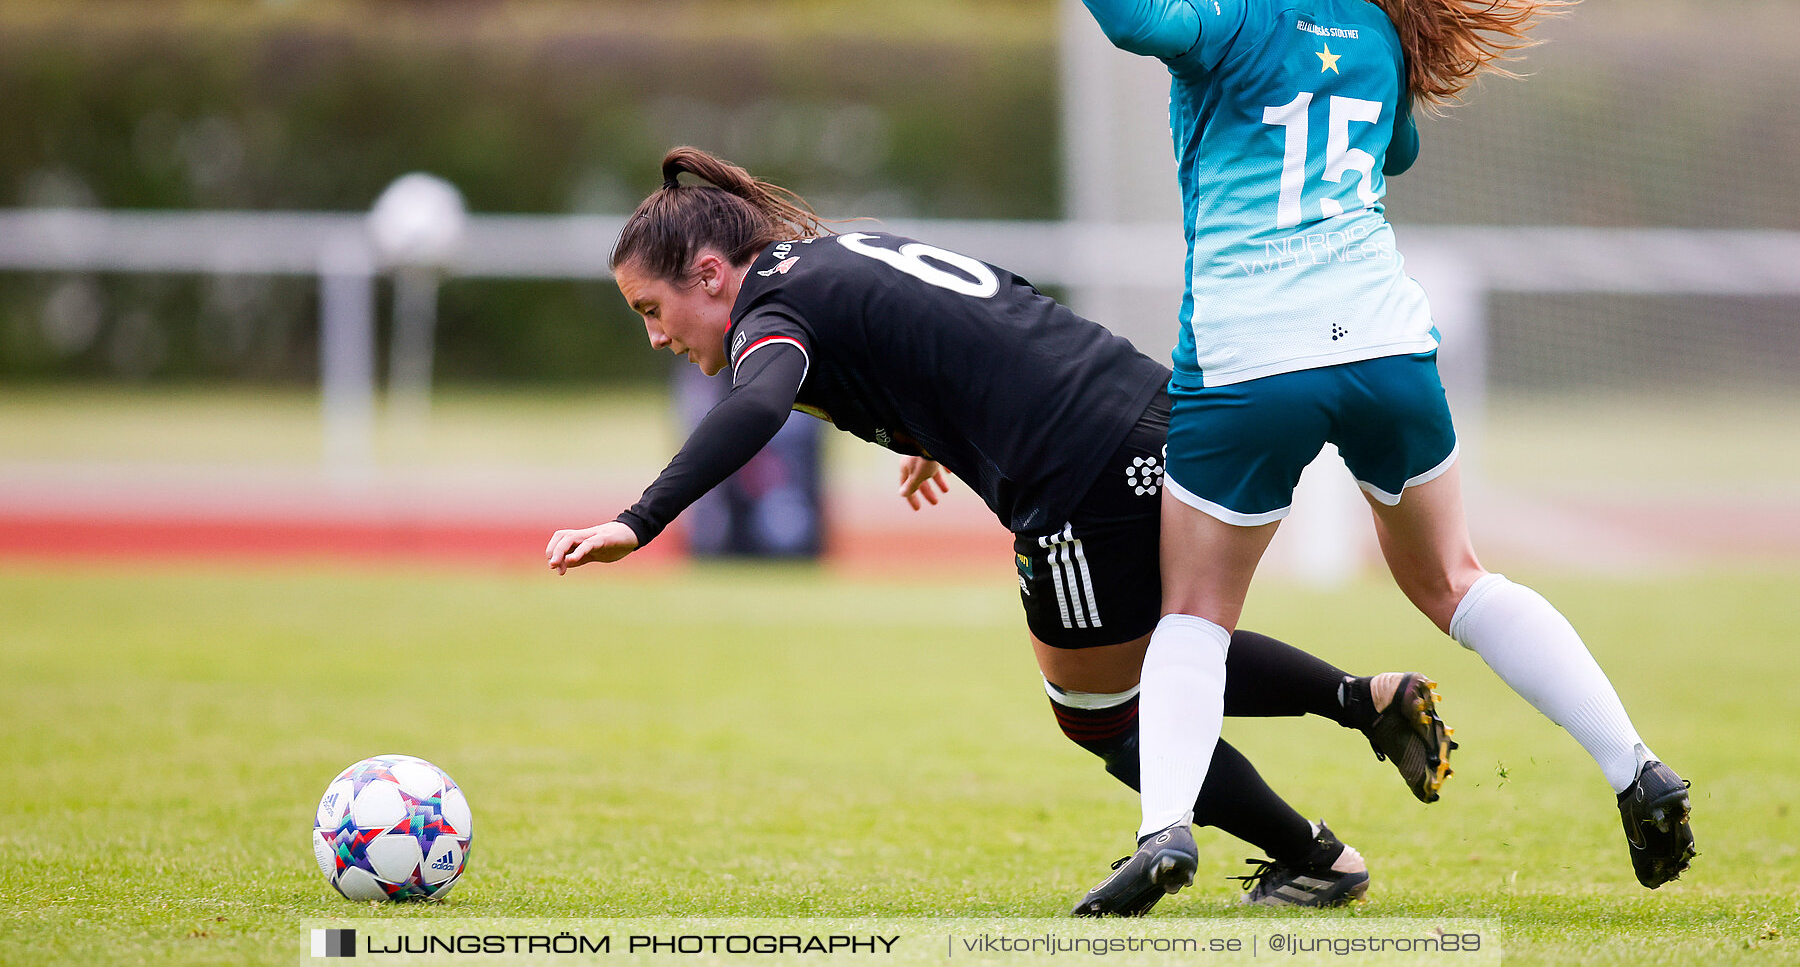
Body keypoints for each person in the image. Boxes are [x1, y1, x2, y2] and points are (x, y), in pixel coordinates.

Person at [1016, 0, 1695, 916]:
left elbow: (1135, 21)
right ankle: (1636, 764)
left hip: (1253, 361)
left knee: (1191, 611)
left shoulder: (1233, 10)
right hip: (1384, 347)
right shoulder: (1371, 28)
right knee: (1454, 580)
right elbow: (1396, 159)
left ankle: (1166, 828)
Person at [547, 146, 1458, 911]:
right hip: (1147, 405)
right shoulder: (830, 256)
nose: (657, 337)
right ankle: (1363, 703)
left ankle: (1312, 855)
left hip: (1072, 469)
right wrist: (933, 425)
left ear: (709, 274)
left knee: (1099, 712)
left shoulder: (768, 311)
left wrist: (641, 520)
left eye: (651, 311)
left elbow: (756, 410)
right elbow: (983, 306)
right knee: (1176, 639)